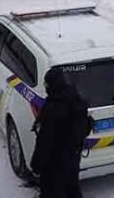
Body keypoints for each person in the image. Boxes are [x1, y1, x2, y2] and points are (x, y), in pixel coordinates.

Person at [31, 68, 93, 198]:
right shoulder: (76, 100)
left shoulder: (52, 108)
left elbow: (44, 141)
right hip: (73, 159)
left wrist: (36, 164)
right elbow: (85, 127)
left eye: (46, 84)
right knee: (73, 190)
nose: (46, 87)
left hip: (54, 165)